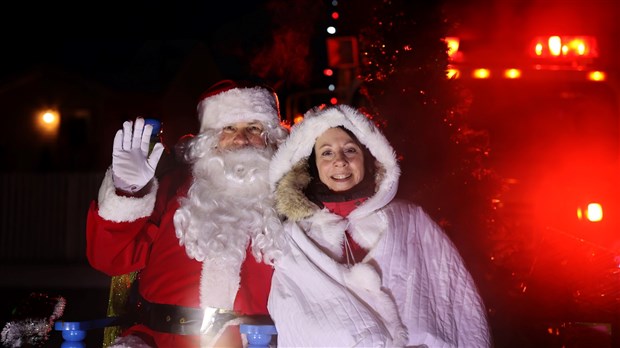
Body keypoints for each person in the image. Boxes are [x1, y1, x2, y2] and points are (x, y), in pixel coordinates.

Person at [267, 104, 492, 347]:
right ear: (312, 167)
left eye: (350, 150)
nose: (340, 161)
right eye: (327, 153)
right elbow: (294, 319)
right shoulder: (295, 238)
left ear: (368, 157)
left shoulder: (410, 220)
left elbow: (457, 303)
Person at [86, 80, 289, 347]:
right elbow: (109, 260)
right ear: (208, 137)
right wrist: (128, 191)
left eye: (253, 128)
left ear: (271, 136)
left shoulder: (291, 200)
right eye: (228, 128)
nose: (241, 140)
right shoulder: (173, 188)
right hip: (162, 340)